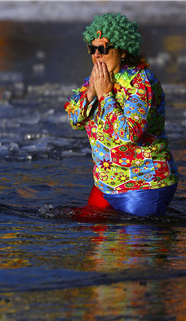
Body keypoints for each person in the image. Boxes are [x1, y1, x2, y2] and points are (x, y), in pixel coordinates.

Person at [65, 13, 179, 217]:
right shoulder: (96, 79)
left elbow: (129, 135)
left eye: (103, 48)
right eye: (92, 48)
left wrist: (106, 95)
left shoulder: (142, 82)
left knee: (134, 245)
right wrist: (91, 92)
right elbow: (75, 120)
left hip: (145, 183)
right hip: (105, 183)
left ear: (123, 50)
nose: (97, 55)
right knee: (93, 234)